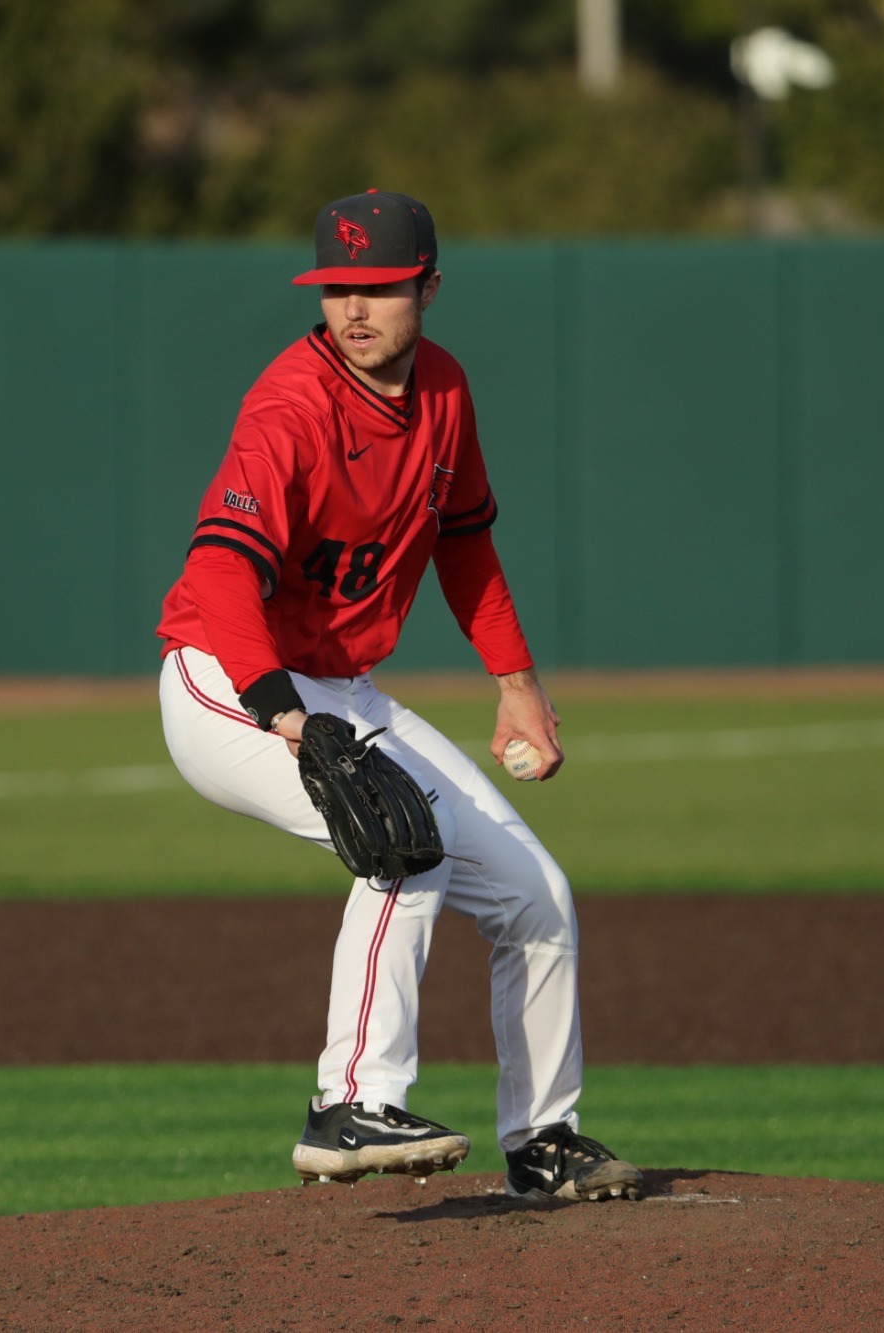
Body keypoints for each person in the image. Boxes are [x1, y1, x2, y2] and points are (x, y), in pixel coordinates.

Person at [155, 190, 644, 1202]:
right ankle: (349, 1102)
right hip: (223, 678)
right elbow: (215, 573)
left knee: (534, 896)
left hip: (340, 685)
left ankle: (544, 1138)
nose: (354, 308)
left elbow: (464, 547)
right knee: (395, 836)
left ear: (425, 285)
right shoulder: (290, 407)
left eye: (377, 286)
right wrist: (282, 714)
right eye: (337, 288)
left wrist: (516, 686)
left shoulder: (445, 394)